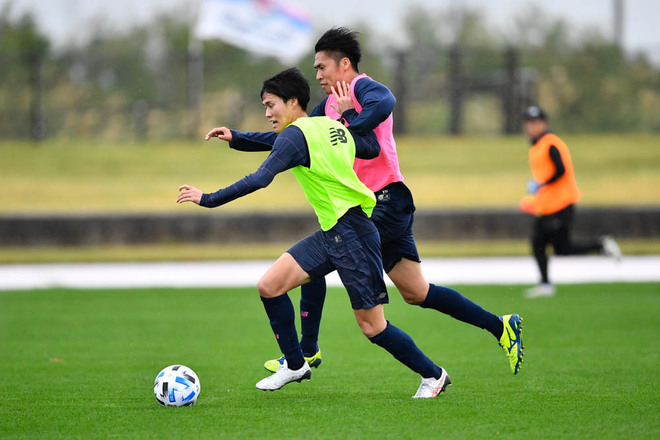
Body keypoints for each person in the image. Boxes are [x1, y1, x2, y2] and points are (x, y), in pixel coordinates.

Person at [206, 27, 524, 376]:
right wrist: (238, 137)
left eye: (322, 67)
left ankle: (307, 354)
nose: (318, 76)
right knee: (416, 292)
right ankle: (500, 326)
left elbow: (386, 101)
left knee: (316, 258)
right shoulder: (327, 106)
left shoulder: (359, 87)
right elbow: (291, 139)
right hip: (373, 206)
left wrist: (348, 120)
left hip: (383, 200)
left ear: (344, 64)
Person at [178, 67, 451, 398]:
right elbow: (369, 146)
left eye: (271, 105)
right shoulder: (329, 126)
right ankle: (296, 364)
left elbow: (261, 178)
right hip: (334, 232)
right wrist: (350, 112)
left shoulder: (296, 135)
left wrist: (206, 199)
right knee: (270, 286)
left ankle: (433, 375)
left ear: (293, 102)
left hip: (354, 234)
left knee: (372, 327)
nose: (267, 113)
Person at [519, 105, 621, 298]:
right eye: (528, 123)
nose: (530, 127)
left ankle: (601, 245)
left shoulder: (550, 143)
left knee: (560, 247)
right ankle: (545, 285)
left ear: (544, 123)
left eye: (534, 122)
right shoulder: (537, 145)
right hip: (547, 205)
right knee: (541, 244)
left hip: (561, 204)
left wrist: (540, 184)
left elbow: (560, 170)